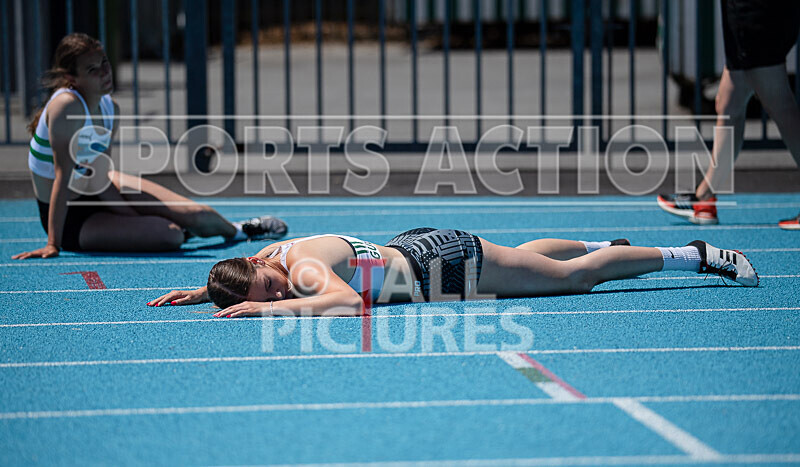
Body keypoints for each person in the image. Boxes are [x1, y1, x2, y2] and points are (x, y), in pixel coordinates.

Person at [12, 33, 287, 260]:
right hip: (69, 214)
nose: (104, 73)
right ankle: (178, 230)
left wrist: (131, 212)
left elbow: (99, 175)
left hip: (95, 188)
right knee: (168, 234)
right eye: (92, 70)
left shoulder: (110, 107)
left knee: (199, 215)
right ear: (72, 79)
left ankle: (241, 230)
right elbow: (63, 176)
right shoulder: (65, 107)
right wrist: (53, 244)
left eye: (105, 63)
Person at [148, 228, 758, 318]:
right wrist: (207, 289)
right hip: (422, 254)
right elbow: (247, 275)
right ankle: (602, 243)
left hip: (440, 265)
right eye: (270, 288)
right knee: (527, 258)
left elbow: (346, 304)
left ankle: (695, 255)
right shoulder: (264, 259)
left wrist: (268, 308)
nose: (281, 288)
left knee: (574, 280)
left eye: (271, 284)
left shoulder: (301, 272)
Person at [657, 0, 800, 229]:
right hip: (742, 10)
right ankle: (704, 199)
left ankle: (704, 197)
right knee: (728, 101)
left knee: (778, 102)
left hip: (755, 10)